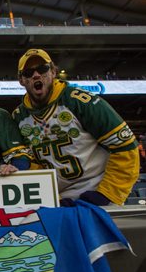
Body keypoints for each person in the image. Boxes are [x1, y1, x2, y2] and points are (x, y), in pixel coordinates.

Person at [13, 48, 140, 206]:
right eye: (28, 72)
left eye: (42, 68)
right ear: (21, 80)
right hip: (57, 201)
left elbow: (125, 147)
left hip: (97, 191)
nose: (36, 75)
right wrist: (50, 196)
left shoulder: (81, 101)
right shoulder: (18, 117)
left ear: (53, 72)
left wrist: (106, 193)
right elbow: (31, 163)